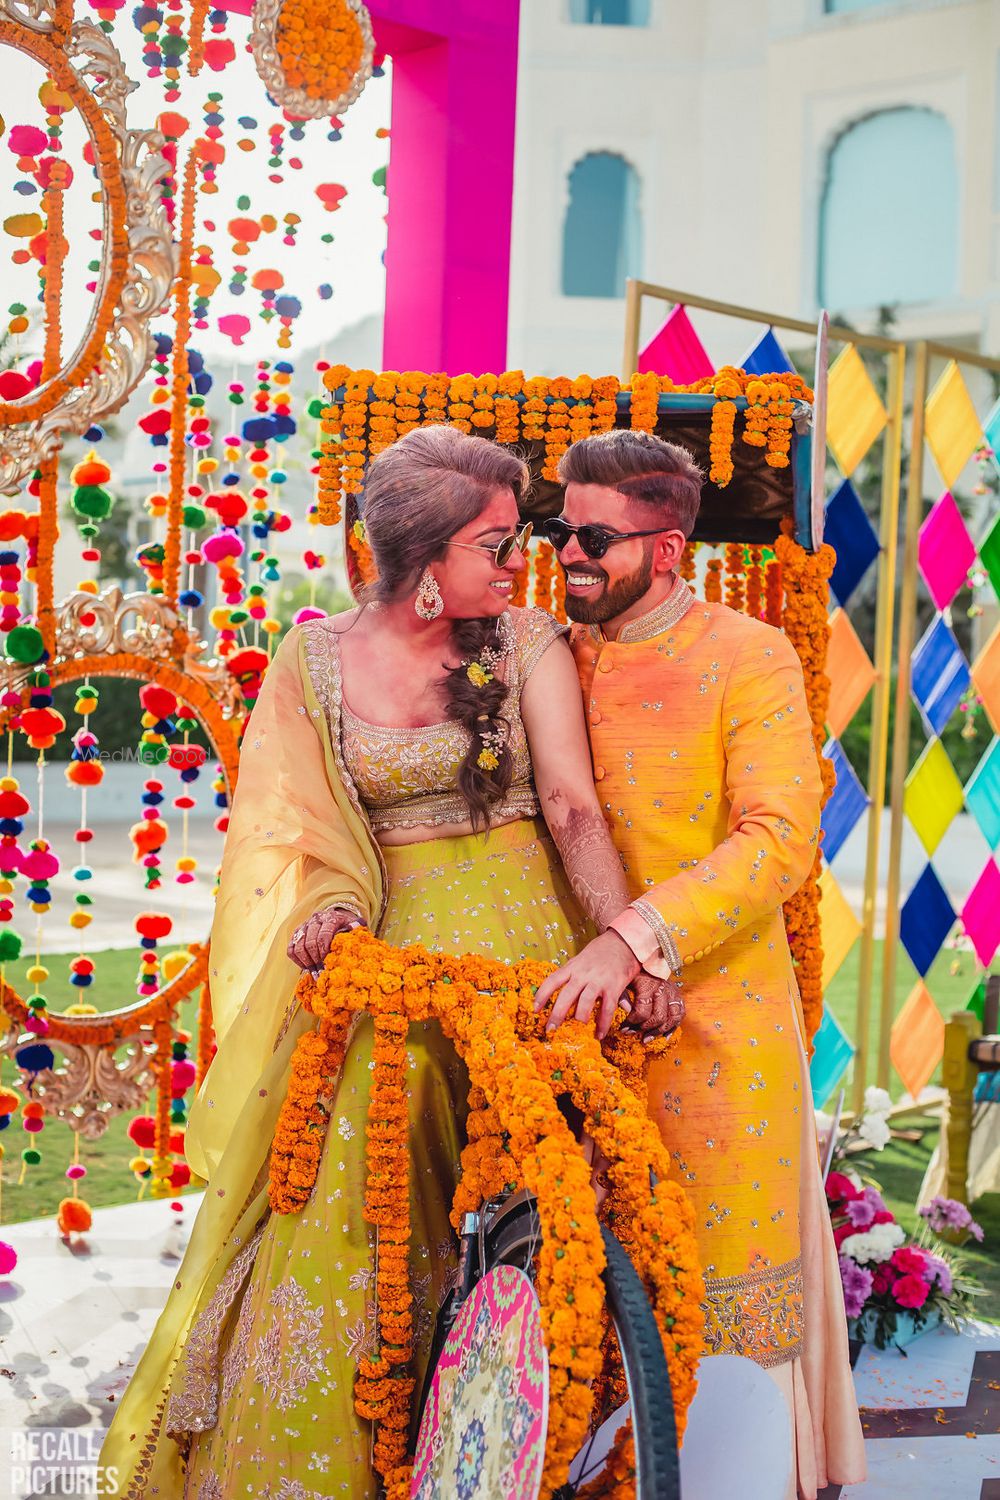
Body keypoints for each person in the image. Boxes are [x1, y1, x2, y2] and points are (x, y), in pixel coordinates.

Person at [101, 425, 679, 1499]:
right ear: (423, 564)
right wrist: (327, 914)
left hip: (526, 966)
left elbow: (571, 808)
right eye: (496, 545)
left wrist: (621, 943)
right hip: (386, 973)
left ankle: (516, 1454)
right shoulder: (311, 661)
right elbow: (292, 829)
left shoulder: (526, 642)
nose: (519, 566)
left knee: (536, 1216)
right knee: (353, 1203)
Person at [534, 427, 867, 1499]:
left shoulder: (745, 653)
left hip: (718, 1025)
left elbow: (777, 838)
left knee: (721, 1297)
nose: (569, 556)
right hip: (570, 1023)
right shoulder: (543, 651)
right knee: (576, 1283)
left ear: (669, 547)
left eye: (594, 537)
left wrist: (634, 937)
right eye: (558, 530)